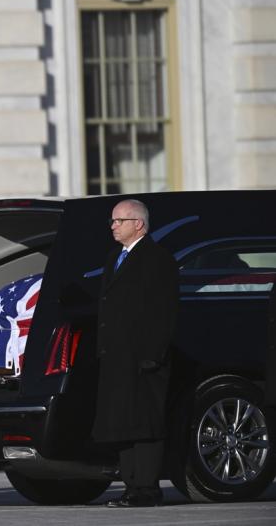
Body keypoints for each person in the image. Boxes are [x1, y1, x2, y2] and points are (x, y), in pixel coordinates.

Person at [93, 198, 178, 508]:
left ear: (138, 224)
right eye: (113, 221)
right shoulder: (116, 258)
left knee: (144, 424)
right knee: (122, 423)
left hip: (143, 359)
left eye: (119, 221)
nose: (113, 226)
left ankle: (146, 488)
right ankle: (131, 486)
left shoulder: (157, 259)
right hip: (118, 357)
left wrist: (153, 355)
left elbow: (163, 310)